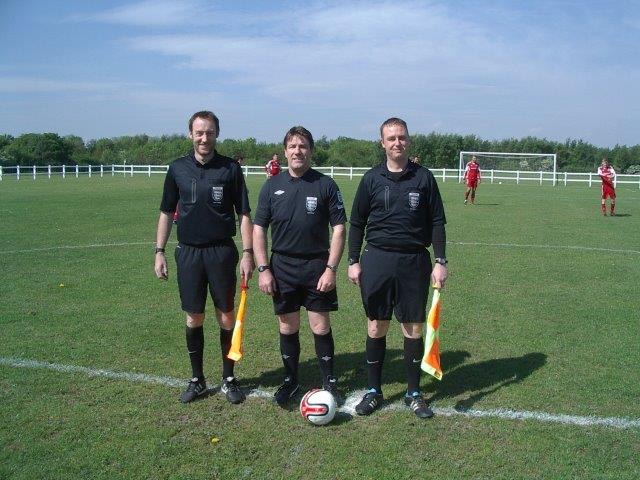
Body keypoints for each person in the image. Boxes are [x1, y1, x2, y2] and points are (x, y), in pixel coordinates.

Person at [347, 117, 448, 419]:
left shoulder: (424, 178)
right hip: (376, 259)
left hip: (414, 261)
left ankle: (414, 393)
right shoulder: (371, 179)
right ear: (382, 143)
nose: (397, 143)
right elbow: (356, 223)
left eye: (401, 137)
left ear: (409, 140)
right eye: (390, 138)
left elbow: (437, 222)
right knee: (376, 325)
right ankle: (374, 391)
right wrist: (353, 261)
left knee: (413, 328)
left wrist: (440, 260)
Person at [154, 110, 255, 404]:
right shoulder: (177, 169)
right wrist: (159, 251)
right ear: (190, 134)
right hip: (188, 252)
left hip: (221, 252)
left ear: (217, 134)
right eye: (199, 132)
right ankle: (197, 380)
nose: (204, 138)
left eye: (209, 132)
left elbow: (244, 214)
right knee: (194, 315)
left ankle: (228, 378)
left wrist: (247, 253)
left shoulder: (230, 169)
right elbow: (165, 212)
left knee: (225, 314)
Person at [253, 126, 347, 406]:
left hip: (317, 267)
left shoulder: (326, 185)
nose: (297, 151)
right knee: (287, 326)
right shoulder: (271, 186)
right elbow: (259, 230)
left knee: (320, 325)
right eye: (292, 146)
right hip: (281, 267)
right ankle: (291, 380)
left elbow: (339, 228)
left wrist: (331, 268)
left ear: (311, 151)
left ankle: (329, 381)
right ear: (285, 152)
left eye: (303, 146)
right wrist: (263, 268)